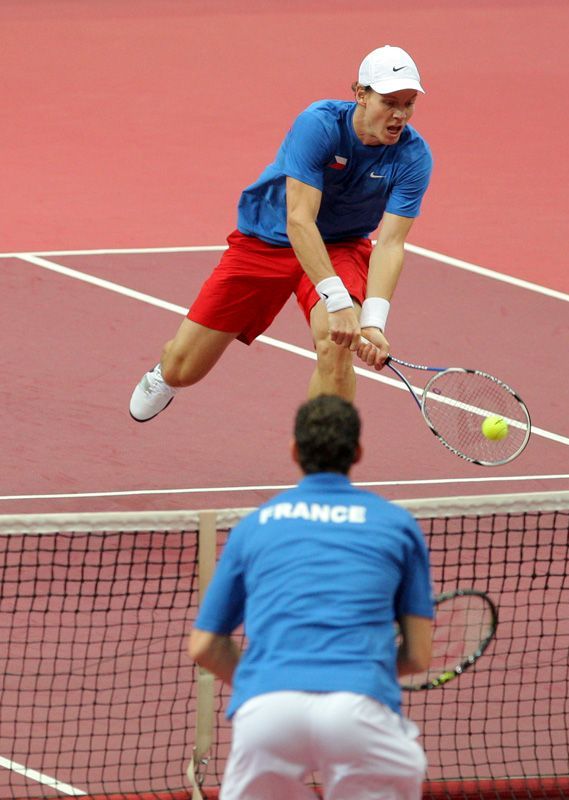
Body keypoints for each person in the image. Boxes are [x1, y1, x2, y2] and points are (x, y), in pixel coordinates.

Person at [130, 45, 433, 421]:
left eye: (408, 103)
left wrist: (372, 321)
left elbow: (390, 243)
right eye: (389, 102)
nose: (400, 115)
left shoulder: (414, 156)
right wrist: (338, 302)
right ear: (360, 94)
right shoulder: (319, 124)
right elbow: (300, 220)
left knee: (336, 345)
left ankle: (323, 457)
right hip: (268, 240)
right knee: (183, 368)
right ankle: (165, 376)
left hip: (340, 246)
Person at [188, 395, 434, 800]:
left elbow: (204, 645)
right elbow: (418, 655)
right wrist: (359, 669)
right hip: (359, 710)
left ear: (293, 450)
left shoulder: (254, 526)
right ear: (358, 452)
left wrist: (264, 678)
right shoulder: (397, 525)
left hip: (268, 712)